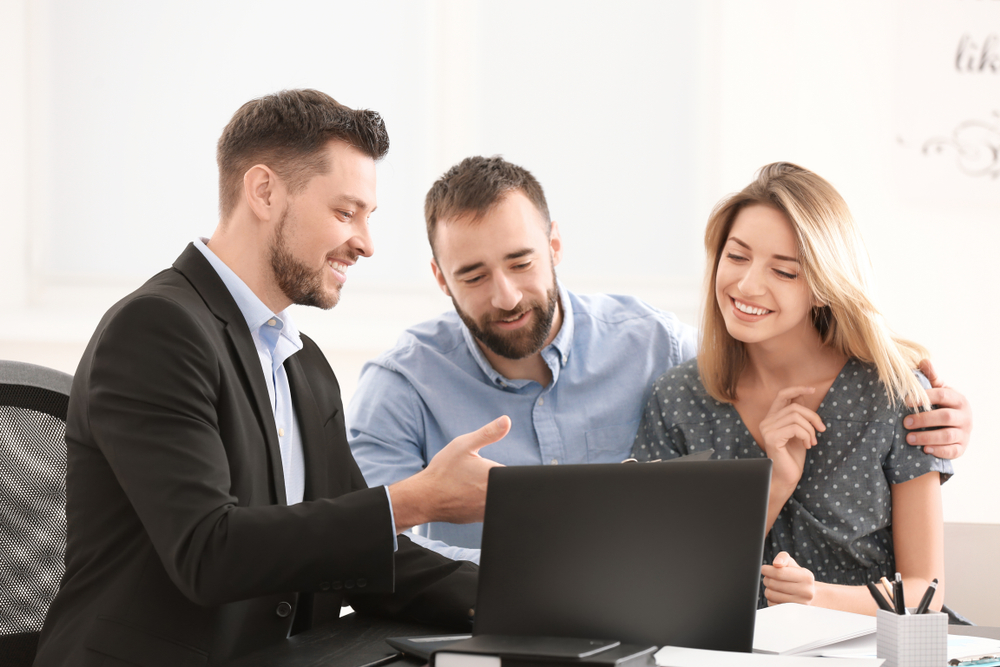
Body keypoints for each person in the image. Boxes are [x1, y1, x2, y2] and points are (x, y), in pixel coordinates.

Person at [34, 90, 509, 667]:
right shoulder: (156, 329)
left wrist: (528, 597)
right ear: (263, 191)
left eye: (368, 216)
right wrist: (413, 500)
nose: (365, 242)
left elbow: (365, 556)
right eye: (344, 212)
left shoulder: (302, 363)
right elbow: (209, 551)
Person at [348, 156, 972, 564]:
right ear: (439, 277)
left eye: (520, 262)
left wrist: (938, 414)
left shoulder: (654, 347)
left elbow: (768, 355)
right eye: (473, 274)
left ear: (555, 245)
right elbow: (370, 554)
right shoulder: (400, 386)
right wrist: (430, 503)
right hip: (473, 628)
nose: (505, 295)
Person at [632, 162, 951, 614]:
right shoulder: (679, 399)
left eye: (784, 272)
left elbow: (926, 593)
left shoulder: (894, 394)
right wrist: (775, 482)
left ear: (823, 287)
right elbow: (659, 580)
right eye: (737, 256)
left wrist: (817, 598)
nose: (746, 284)